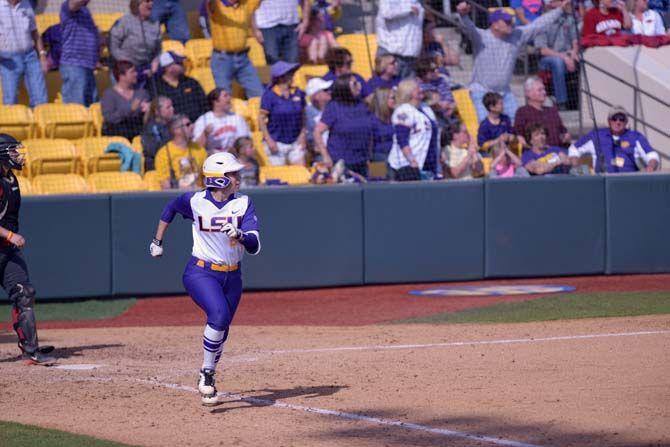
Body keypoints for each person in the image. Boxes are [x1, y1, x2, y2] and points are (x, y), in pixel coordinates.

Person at [149, 151, 261, 406]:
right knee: (219, 316)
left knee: (223, 328)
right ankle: (207, 374)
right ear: (219, 179)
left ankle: (209, 373)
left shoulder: (243, 203)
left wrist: (241, 234)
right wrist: (157, 241)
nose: (238, 178)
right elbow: (170, 209)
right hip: (201, 272)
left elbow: (255, 245)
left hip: (233, 276)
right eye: (233, 174)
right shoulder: (195, 201)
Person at [455, 1, 570, 121]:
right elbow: (468, 27)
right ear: (495, 24)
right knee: (485, 126)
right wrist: (463, 16)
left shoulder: (517, 36)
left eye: (511, 20)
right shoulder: (481, 37)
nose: (511, 23)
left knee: (517, 124)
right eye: (507, 21)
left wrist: (560, 10)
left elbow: (538, 24)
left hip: (505, 93)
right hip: (482, 93)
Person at [0, 134, 56, 365]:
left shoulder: (11, 179)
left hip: (7, 251)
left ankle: (31, 350)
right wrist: (10, 235)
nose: (17, 155)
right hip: (6, 241)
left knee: (24, 293)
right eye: (13, 151)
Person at [568, 106, 660, 173]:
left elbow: (651, 155)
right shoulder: (596, 135)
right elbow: (574, 149)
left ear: (626, 122)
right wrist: (576, 165)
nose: (618, 122)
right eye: (614, 119)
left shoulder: (635, 137)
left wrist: (651, 166)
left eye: (621, 119)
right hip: (602, 179)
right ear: (609, 121)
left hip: (628, 180)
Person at [315, 74, 373, 177]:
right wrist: (325, 156)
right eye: (355, 84)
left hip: (361, 161)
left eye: (359, 83)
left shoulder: (362, 105)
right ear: (344, 87)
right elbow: (317, 132)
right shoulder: (334, 107)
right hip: (340, 162)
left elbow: (368, 131)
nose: (359, 86)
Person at [208, 0, 264, 99]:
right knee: (224, 97)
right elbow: (209, 4)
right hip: (222, 59)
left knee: (259, 95)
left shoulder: (247, 3)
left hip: (243, 58)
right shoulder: (217, 5)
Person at [387, 79, 439, 181]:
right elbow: (402, 139)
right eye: (416, 88)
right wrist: (412, 161)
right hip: (405, 167)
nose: (420, 89)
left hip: (426, 162)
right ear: (409, 92)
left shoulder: (425, 108)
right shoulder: (403, 110)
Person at [0, 0, 48, 107]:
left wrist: (42, 55)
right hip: (8, 60)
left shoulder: (26, 4)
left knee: (40, 99)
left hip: (30, 57)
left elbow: (34, 32)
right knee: (10, 100)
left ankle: (38, 123)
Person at [259, 61, 307, 166]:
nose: (293, 76)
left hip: (295, 141)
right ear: (281, 77)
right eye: (290, 73)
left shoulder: (298, 93)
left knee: (301, 172)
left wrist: (302, 135)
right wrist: (269, 140)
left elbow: (303, 116)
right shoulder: (269, 95)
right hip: (276, 141)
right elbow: (261, 119)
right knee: (279, 175)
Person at [534, 0, 579, 110]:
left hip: (567, 54)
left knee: (585, 59)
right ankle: (561, 102)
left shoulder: (569, 18)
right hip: (547, 58)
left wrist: (574, 53)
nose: (564, 3)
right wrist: (564, 57)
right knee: (557, 62)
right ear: (551, 4)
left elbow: (575, 40)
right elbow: (542, 50)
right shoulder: (542, 21)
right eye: (559, 1)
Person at [109, 0, 162, 85]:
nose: (151, 3)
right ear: (137, 4)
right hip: (124, 71)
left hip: (144, 70)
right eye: (147, 1)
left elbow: (158, 50)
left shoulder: (155, 24)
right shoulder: (124, 22)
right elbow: (113, 45)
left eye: (152, 1)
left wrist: (155, 62)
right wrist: (125, 62)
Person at [59, 0, 100, 106]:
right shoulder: (67, 7)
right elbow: (74, 4)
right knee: (76, 108)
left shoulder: (86, 12)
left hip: (88, 65)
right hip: (74, 64)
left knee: (92, 105)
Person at [513, 77, 572, 147]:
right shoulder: (522, 112)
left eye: (544, 89)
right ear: (528, 93)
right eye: (540, 90)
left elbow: (563, 131)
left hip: (558, 151)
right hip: (537, 154)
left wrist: (566, 136)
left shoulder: (552, 111)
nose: (544, 92)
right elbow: (519, 136)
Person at [152, 51, 208, 123]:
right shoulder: (157, 87)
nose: (183, 65)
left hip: (199, 123)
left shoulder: (191, 82)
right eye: (179, 64)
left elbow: (204, 104)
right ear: (169, 68)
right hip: (173, 127)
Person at [101, 60, 151, 140]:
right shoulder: (109, 95)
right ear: (122, 76)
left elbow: (147, 118)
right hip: (117, 130)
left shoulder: (141, 93)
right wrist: (130, 109)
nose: (136, 74)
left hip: (137, 128)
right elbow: (109, 118)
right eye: (132, 72)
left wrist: (149, 110)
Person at [155, 114, 208, 189]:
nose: (192, 126)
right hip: (177, 195)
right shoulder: (164, 153)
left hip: (199, 195)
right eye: (187, 125)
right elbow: (165, 184)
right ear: (176, 130)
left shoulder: (199, 149)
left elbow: (207, 177)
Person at [375, 0, 424, 78]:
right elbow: (386, 12)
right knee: (386, 89)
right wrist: (408, 9)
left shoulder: (419, 3)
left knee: (409, 89)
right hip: (391, 55)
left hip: (410, 59)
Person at [193, 88, 251, 155]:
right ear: (215, 101)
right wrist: (205, 134)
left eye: (229, 95)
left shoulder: (237, 118)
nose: (229, 98)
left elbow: (245, 141)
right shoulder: (203, 120)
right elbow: (197, 148)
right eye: (225, 96)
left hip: (235, 156)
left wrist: (234, 149)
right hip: (212, 159)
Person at [254, 0, 311, 64]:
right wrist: (255, 29)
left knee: (292, 64)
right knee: (273, 63)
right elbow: (249, 5)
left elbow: (306, 1)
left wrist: (305, 22)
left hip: (291, 25)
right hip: (267, 27)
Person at [477, 92, 520, 156]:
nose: (503, 106)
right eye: (500, 104)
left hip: (507, 150)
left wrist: (509, 137)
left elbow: (512, 135)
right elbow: (482, 145)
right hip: (492, 154)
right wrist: (498, 140)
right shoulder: (485, 125)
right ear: (492, 107)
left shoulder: (505, 119)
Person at [415, 56, 455, 123]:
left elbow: (448, 96)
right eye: (432, 70)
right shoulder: (417, 85)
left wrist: (449, 105)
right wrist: (438, 105)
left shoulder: (441, 81)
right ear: (423, 73)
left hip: (447, 112)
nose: (437, 71)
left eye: (437, 68)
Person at [142, 96, 175, 171]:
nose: (173, 109)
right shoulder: (150, 129)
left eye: (172, 106)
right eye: (168, 107)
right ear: (157, 111)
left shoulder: (175, 124)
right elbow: (154, 151)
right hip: (157, 166)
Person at [305, 77, 333, 161]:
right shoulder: (307, 113)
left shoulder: (334, 108)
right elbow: (309, 139)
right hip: (320, 156)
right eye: (325, 90)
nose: (329, 91)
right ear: (316, 95)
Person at [369, 87, 396, 163]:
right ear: (383, 100)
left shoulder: (395, 117)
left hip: (395, 157)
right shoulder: (372, 121)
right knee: (377, 174)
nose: (395, 100)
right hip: (378, 157)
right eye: (392, 98)